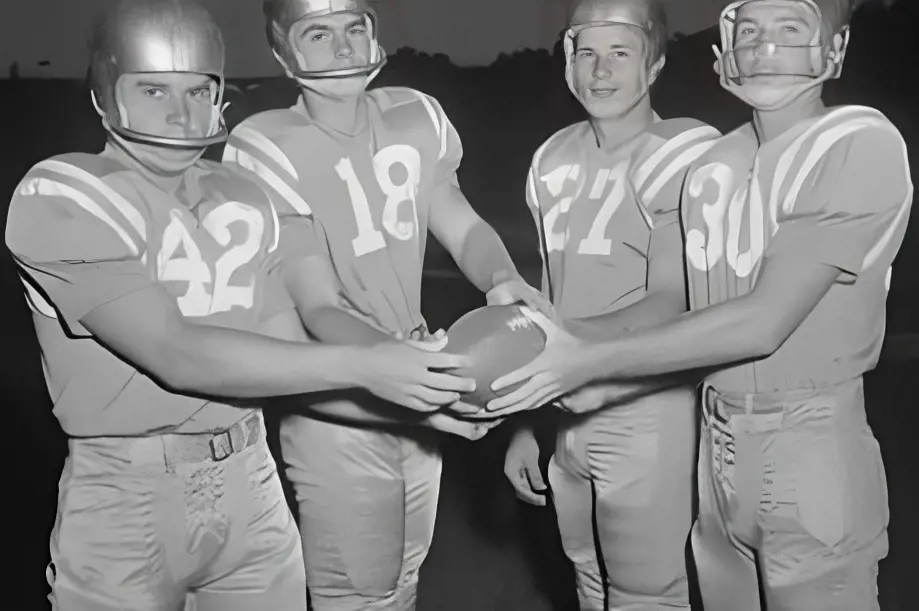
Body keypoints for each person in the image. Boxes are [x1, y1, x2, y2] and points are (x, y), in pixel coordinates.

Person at [4, 1, 477, 609]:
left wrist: (415, 411)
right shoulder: (65, 191)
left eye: (199, 90)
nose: (180, 115)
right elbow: (177, 353)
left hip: (252, 481)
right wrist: (370, 364)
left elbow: (293, 365)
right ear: (103, 94)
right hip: (129, 490)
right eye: (152, 90)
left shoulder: (243, 194)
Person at [490, 0, 911, 609]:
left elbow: (761, 322)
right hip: (716, 441)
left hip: (808, 434)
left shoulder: (857, 142)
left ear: (835, 51)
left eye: (790, 29)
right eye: (750, 31)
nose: (766, 47)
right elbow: (687, 308)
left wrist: (583, 360)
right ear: (723, 52)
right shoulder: (713, 164)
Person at [221, 1, 550, 608]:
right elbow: (318, 305)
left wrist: (502, 280)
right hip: (339, 396)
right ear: (282, 51)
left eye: (355, 29)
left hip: (414, 359)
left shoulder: (415, 114)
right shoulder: (264, 141)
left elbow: (459, 220)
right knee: (356, 593)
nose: (343, 48)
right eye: (318, 33)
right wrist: (399, 366)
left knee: (403, 581)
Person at [501, 0, 720, 608]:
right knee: (588, 579)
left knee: (646, 593)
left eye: (619, 53)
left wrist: (566, 354)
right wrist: (527, 421)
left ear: (654, 64)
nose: (599, 71)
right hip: (567, 410)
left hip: (643, 407)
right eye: (585, 52)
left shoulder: (686, 151)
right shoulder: (550, 157)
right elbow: (548, 295)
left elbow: (674, 299)